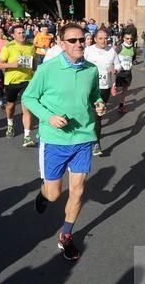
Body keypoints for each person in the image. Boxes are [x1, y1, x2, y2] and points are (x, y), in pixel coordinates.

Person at [22, 23, 106, 262]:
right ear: (61, 43)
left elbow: (93, 95)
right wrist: (48, 117)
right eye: (73, 40)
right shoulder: (48, 69)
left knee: (78, 191)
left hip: (83, 137)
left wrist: (98, 104)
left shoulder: (91, 69)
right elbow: (29, 97)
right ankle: (43, 193)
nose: (79, 43)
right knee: (54, 194)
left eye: (82, 39)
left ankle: (66, 236)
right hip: (55, 140)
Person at [0, 24, 37, 147]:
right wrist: (12, 65)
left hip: (27, 81)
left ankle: (27, 136)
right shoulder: (8, 47)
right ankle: (10, 124)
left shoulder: (31, 46)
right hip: (12, 81)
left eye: (23, 32)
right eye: (19, 33)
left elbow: (33, 62)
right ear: (13, 35)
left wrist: (36, 73)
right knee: (10, 106)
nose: (22, 34)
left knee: (27, 108)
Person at [85, 29, 121, 156]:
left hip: (103, 87)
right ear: (95, 39)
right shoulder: (88, 50)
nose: (103, 41)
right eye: (100, 38)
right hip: (88, 87)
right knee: (86, 113)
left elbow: (118, 65)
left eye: (105, 38)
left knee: (97, 115)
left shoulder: (111, 51)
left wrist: (115, 70)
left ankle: (96, 143)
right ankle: (84, 136)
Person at [114, 32, 136, 114]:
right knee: (119, 88)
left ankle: (121, 106)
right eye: (127, 38)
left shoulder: (133, 49)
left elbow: (133, 58)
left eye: (131, 38)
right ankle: (114, 86)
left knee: (125, 89)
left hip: (128, 72)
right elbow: (114, 57)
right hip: (120, 71)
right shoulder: (120, 47)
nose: (129, 40)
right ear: (123, 38)